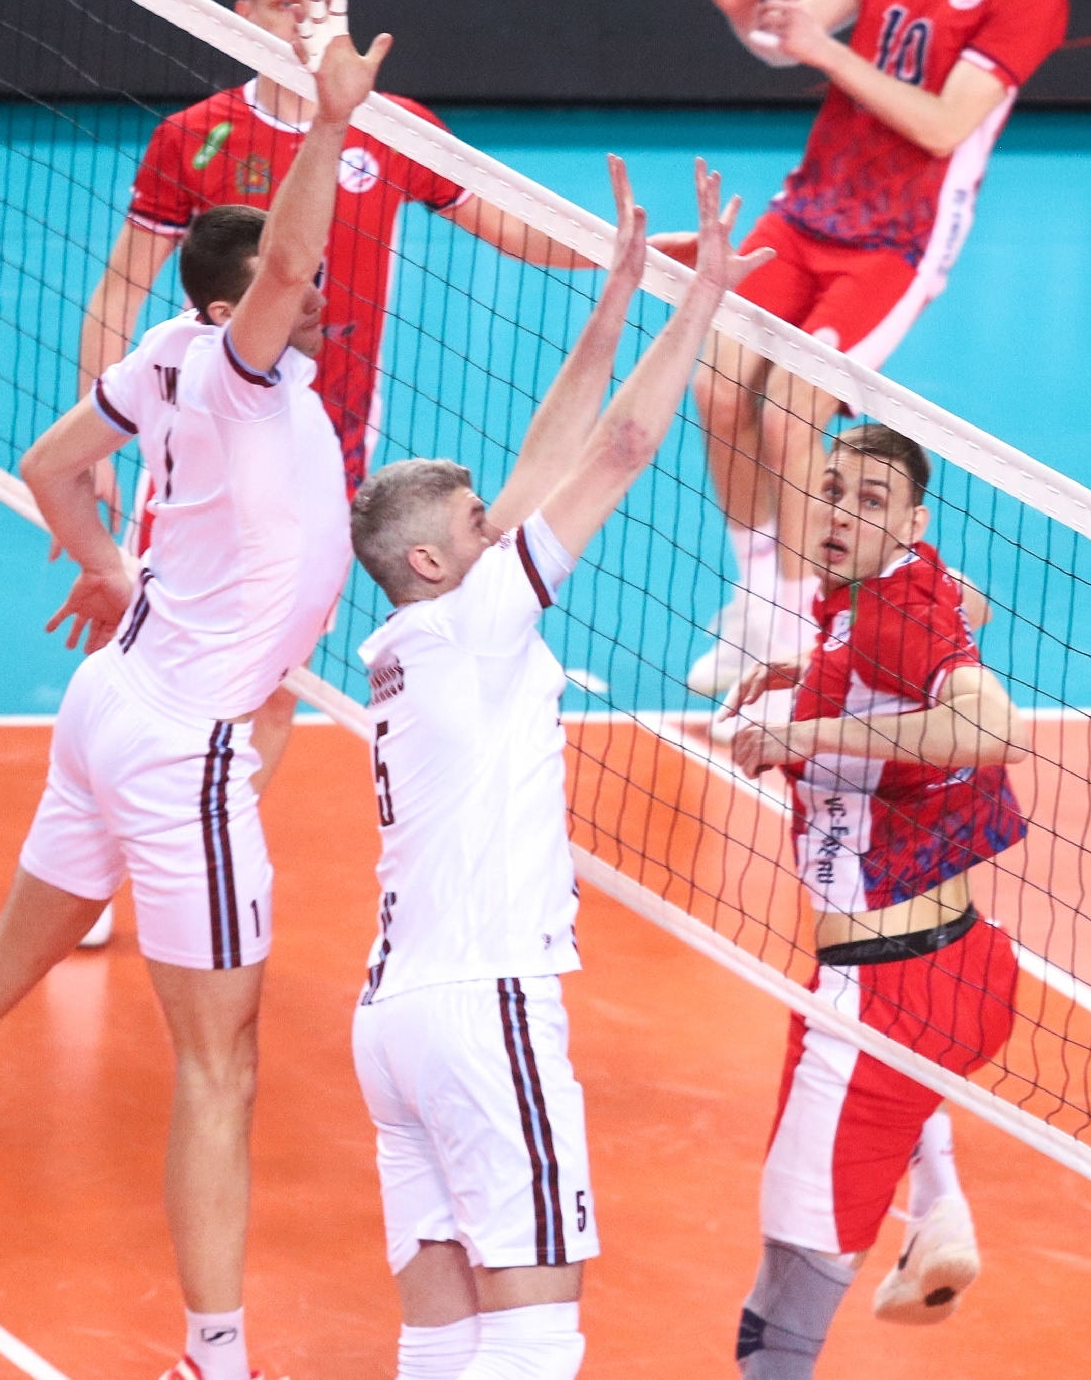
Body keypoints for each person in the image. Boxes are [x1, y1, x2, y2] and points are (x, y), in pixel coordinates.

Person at [0, 23, 392, 1380]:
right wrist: (331, 124)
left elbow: (50, 463)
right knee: (221, 1064)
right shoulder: (235, 363)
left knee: (7, 960)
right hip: (187, 750)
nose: (317, 295)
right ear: (239, 307)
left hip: (111, 703)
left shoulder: (164, 349)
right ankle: (214, 1358)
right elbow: (284, 265)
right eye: (291, 287)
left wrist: (110, 569)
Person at [72, 0, 585, 946]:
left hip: (324, 463)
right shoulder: (195, 136)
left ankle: (203, 843)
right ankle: (90, 865)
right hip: (199, 452)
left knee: (269, 680)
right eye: (284, 2)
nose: (306, 15)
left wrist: (645, 261)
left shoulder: (391, 128)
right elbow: (123, 285)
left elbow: (514, 228)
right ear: (243, 15)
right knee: (135, 649)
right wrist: (99, 430)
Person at [344, 156, 758, 1380]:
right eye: (478, 521)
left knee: (441, 1336)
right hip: (485, 1005)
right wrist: (703, 298)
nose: (502, 522)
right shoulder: (480, 621)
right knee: (533, 1335)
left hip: (394, 1021)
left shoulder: (414, 636)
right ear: (434, 560)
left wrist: (620, 289)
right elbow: (620, 446)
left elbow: (543, 454)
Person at [679, 0, 1070, 708]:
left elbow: (941, 125)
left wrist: (821, 52)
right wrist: (750, 21)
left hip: (899, 241)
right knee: (717, 388)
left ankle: (798, 639)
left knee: (793, 415)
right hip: (809, 208)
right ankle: (759, 604)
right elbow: (790, 36)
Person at [723, 423, 1030, 1376]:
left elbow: (995, 729)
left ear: (910, 523)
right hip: (955, 968)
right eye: (832, 489)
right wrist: (812, 679)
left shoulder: (891, 621)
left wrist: (808, 735)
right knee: (785, 1289)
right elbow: (962, 602)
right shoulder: (889, 590)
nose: (841, 512)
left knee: (776, 1331)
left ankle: (938, 1198)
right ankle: (937, 1203)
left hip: (881, 1003)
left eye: (870, 500)